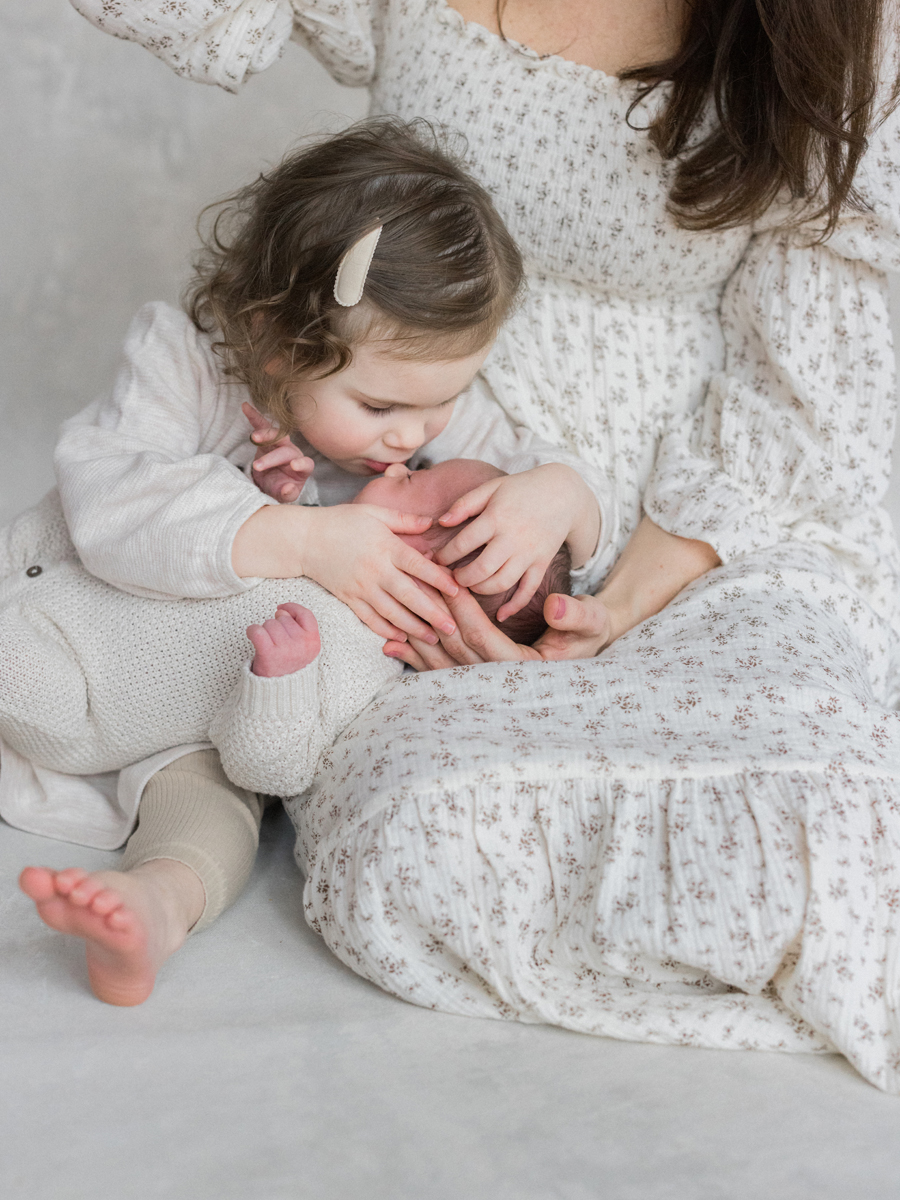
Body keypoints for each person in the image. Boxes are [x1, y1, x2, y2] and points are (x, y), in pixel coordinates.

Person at [63, 1, 900, 1091]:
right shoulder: (328, 432)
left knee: (813, 797)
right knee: (421, 833)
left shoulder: (826, 34)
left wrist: (608, 598)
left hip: (710, 523)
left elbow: (823, 386)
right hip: (418, 544)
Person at [13, 459, 571, 1006]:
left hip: (79, 696)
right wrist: (271, 494)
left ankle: (153, 906)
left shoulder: (357, 662)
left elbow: (271, 771)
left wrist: (279, 684)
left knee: (211, 821)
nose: (399, 468)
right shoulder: (325, 532)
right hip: (58, 594)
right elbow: (222, 538)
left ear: (423, 562)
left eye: (417, 479)